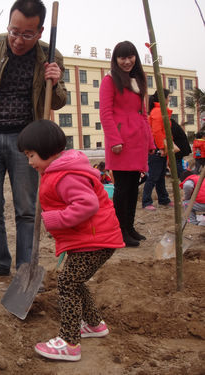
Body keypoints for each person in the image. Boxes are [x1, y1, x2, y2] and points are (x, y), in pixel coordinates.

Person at [0, 0, 67, 280]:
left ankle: (25, 269)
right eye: (14, 31)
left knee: (27, 208)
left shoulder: (51, 56)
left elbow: (58, 102)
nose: (18, 40)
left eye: (27, 34)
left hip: (27, 142)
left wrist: (55, 79)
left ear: (40, 32)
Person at [17, 120, 124, 362]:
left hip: (95, 240)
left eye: (31, 155)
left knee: (67, 283)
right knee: (75, 280)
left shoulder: (66, 175)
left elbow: (88, 204)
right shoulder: (57, 171)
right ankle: (95, 324)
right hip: (91, 238)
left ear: (46, 150)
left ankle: (69, 342)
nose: (29, 162)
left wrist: (55, 220)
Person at [99, 40, 155, 248]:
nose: (126, 61)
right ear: (115, 60)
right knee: (123, 188)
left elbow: (143, 114)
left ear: (135, 58)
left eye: (130, 56)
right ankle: (118, 230)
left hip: (137, 140)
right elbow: (105, 113)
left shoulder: (139, 80)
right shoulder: (110, 80)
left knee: (133, 188)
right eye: (122, 57)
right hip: (121, 142)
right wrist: (114, 139)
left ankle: (129, 227)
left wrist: (150, 141)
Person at [142, 90, 174, 211]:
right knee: (153, 176)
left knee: (160, 176)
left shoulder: (160, 111)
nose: (169, 99)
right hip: (157, 148)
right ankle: (146, 201)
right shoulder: (158, 112)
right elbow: (156, 132)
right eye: (169, 97)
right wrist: (161, 147)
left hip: (160, 147)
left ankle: (163, 199)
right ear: (163, 98)